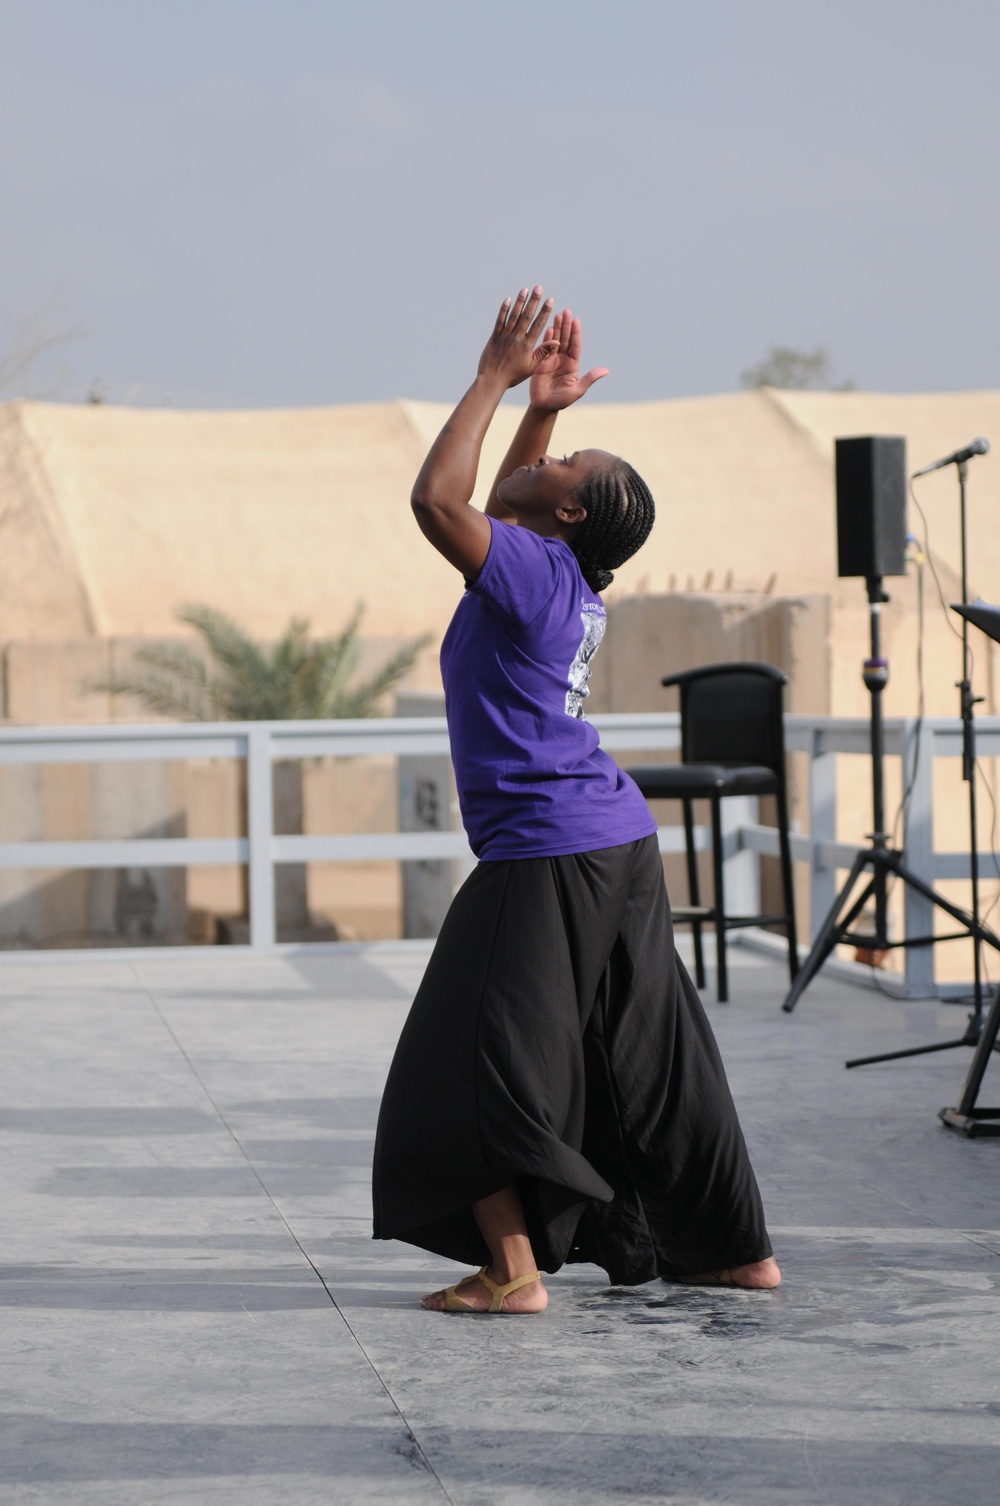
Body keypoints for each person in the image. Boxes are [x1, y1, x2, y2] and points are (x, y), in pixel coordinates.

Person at [372, 286, 780, 1314]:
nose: (543, 456)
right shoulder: (557, 572)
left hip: (549, 852)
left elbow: (438, 501)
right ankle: (734, 1250)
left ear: (564, 513)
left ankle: (512, 1272)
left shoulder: (527, 573)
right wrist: (543, 407)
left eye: (560, 462)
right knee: (651, 1061)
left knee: (464, 1064)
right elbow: (513, 486)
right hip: (611, 842)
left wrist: (491, 378)